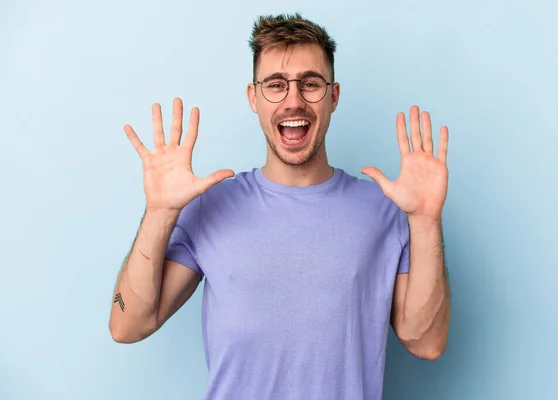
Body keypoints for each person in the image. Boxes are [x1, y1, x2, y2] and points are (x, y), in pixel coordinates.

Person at [109, 12, 451, 400]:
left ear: (334, 96)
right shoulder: (210, 206)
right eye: (275, 85)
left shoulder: (385, 210)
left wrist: (425, 220)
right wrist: (159, 213)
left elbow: (427, 342)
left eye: (310, 84)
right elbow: (128, 326)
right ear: (253, 97)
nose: (294, 101)